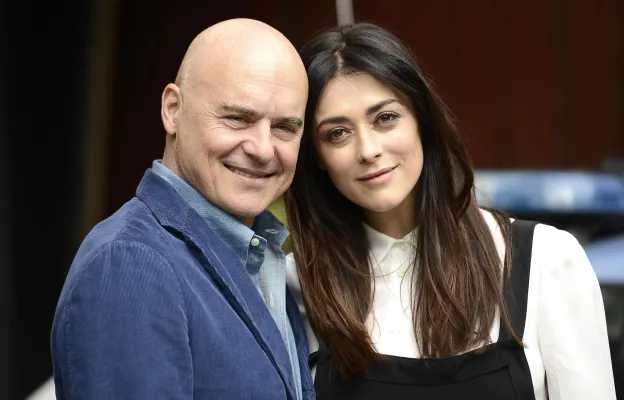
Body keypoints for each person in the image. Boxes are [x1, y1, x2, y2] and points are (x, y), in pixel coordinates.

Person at [284, 22, 616, 400]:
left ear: (422, 121)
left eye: (385, 118)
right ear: (316, 156)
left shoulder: (544, 260)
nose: (368, 150)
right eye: (337, 133)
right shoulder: (299, 285)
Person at [51, 18, 313, 400]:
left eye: (285, 128)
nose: (262, 148)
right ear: (172, 110)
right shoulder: (129, 263)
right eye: (237, 118)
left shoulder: (260, 254)